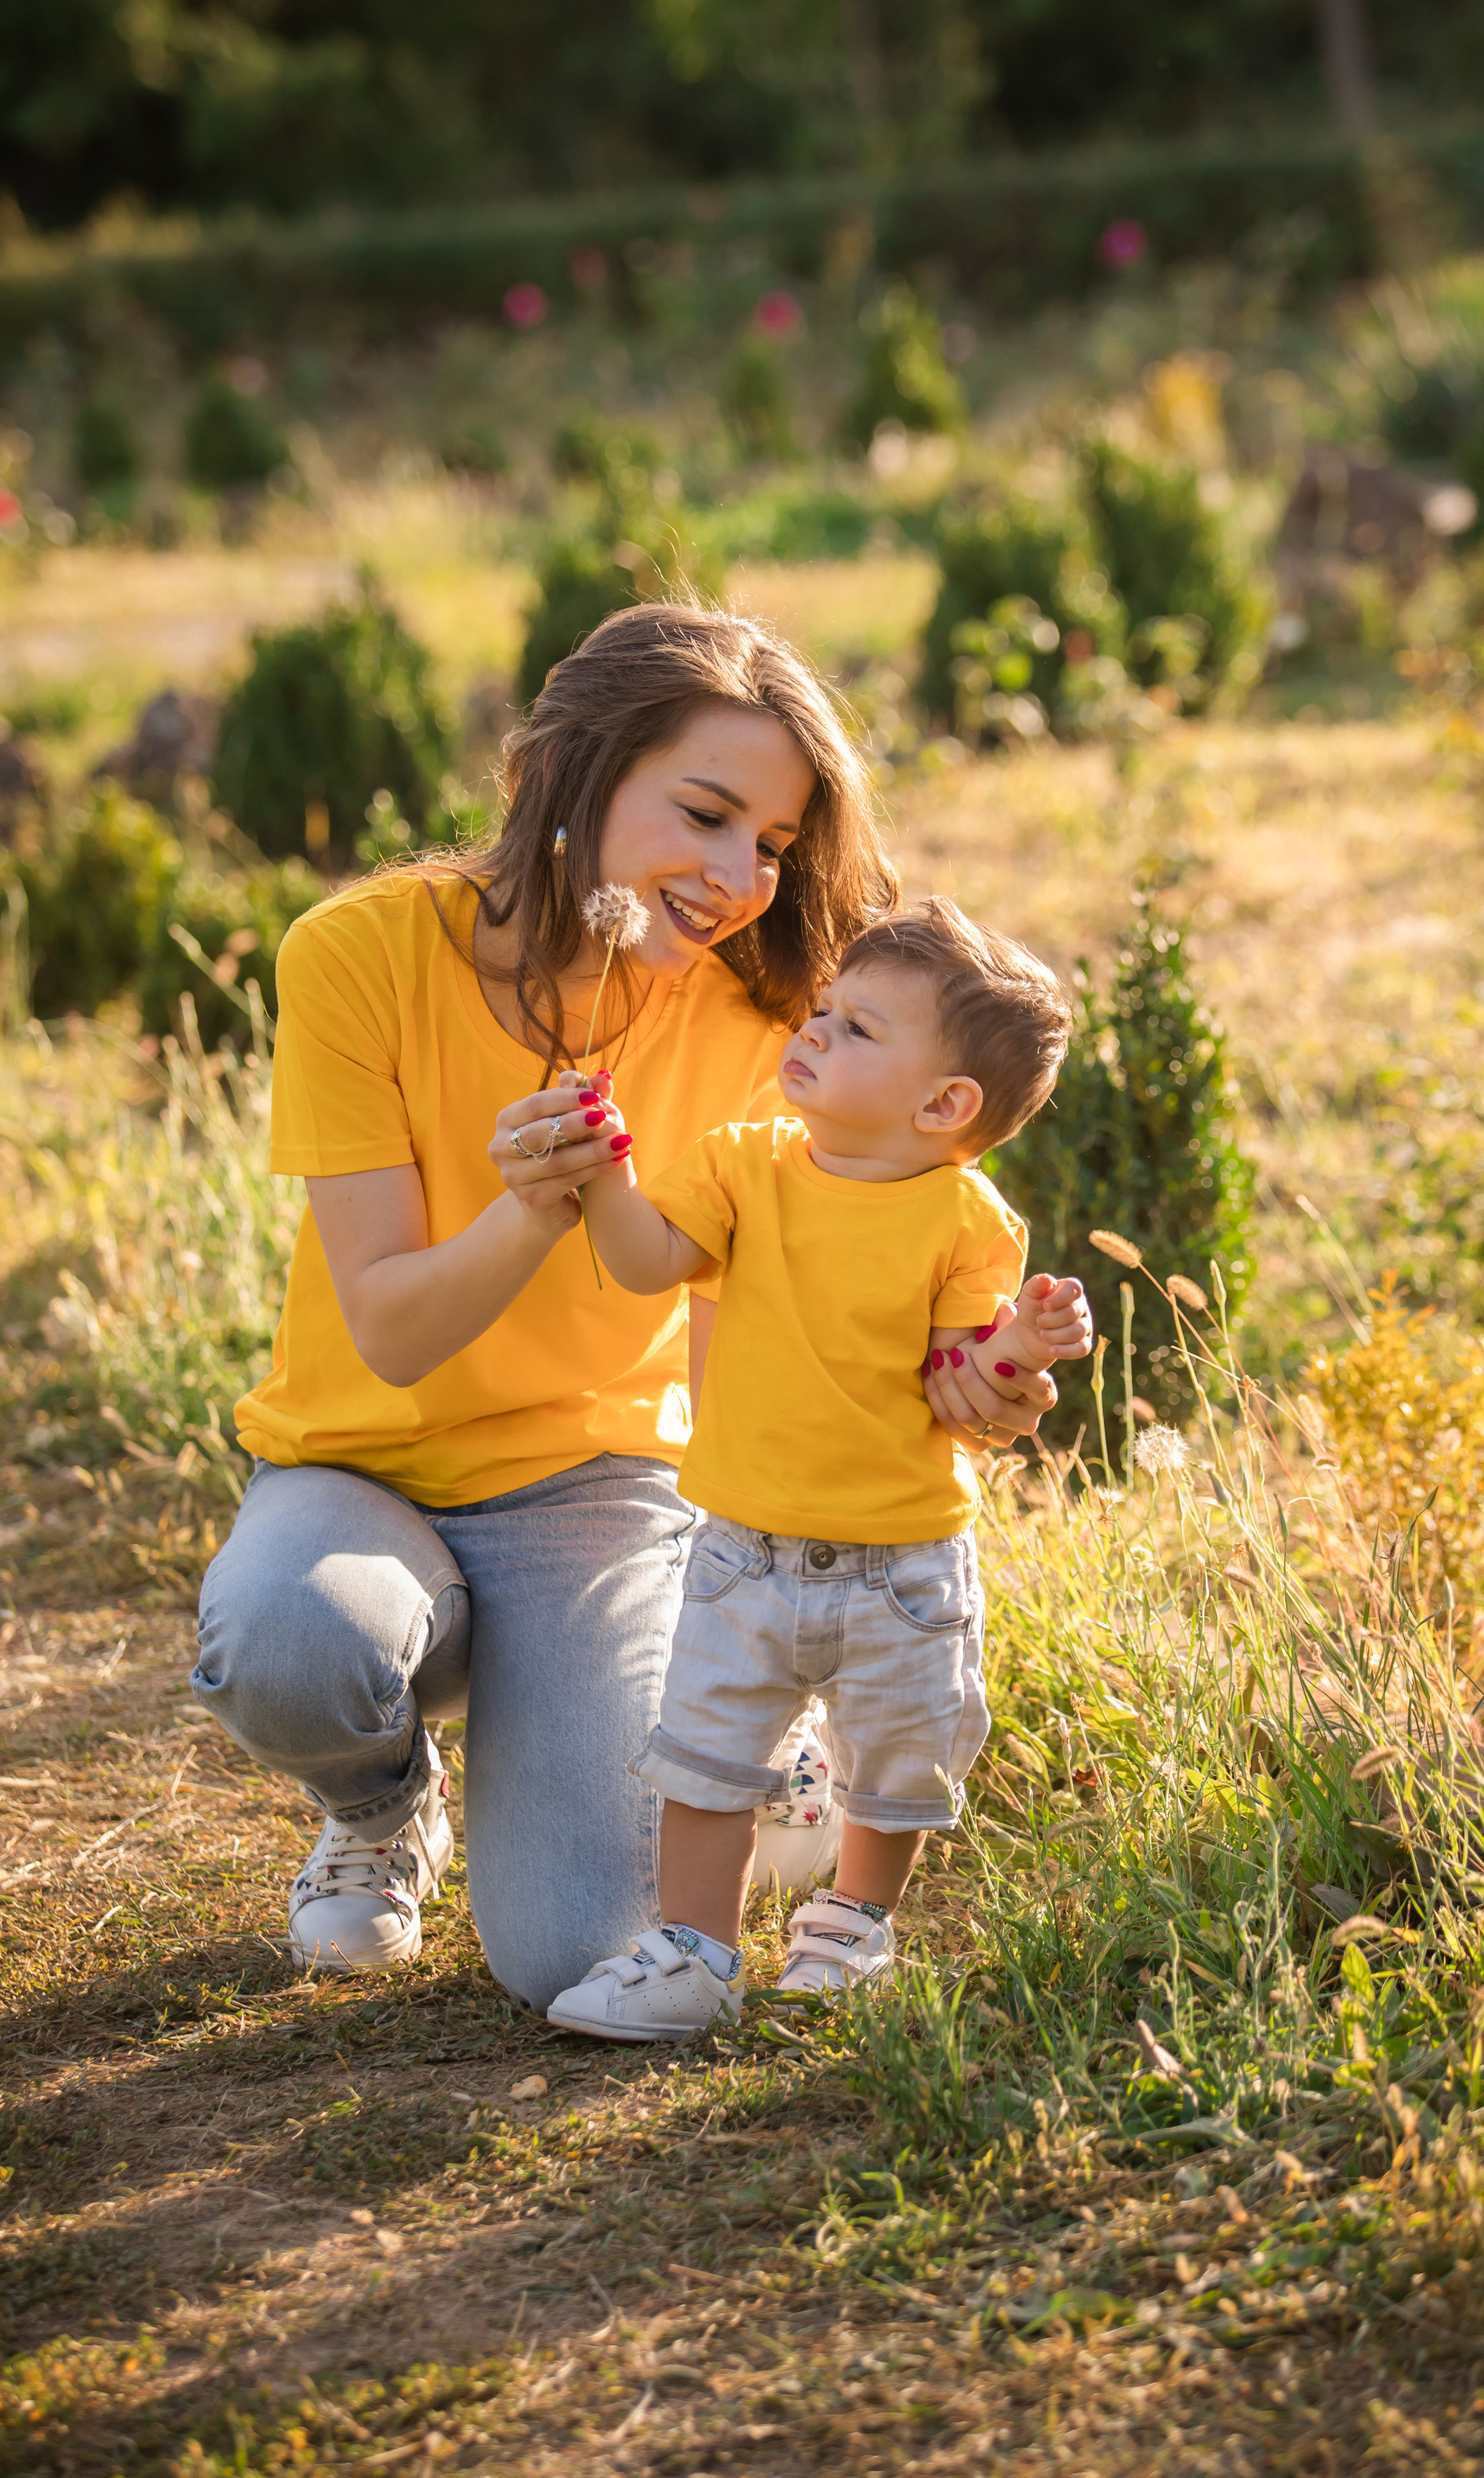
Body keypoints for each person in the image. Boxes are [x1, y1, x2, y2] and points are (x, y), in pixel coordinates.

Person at [188, 608, 1060, 2016]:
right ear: (573, 772)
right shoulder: (355, 955)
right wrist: (534, 1202)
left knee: (575, 1951)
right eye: (706, 815)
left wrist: (973, 1379)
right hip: (354, 1472)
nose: (736, 878)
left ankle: (725, 1728)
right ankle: (380, 1807)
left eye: (771, 847)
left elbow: (865, 1249)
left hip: (593, 1493)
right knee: (291, 1647)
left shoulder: (763, 1024)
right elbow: (395, 1330)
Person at [543, 898, 1093, 2043]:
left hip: (903, 1560)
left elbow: (959, 1375)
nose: (816, 1030)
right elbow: (648, 1260)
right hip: (744, 1546)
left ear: (945, 1106)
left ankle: (852, 1921)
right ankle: (695, 1952)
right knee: (704, 1756)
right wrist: (603, 1173)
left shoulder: (967, 1220)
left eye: (856, 1030)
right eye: (827, 1009)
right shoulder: (747, 1165)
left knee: (896, 1760)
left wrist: (1023, 1345)